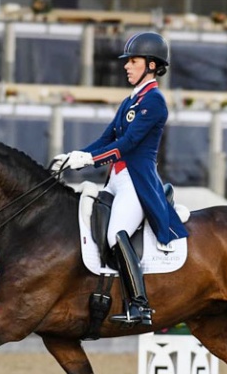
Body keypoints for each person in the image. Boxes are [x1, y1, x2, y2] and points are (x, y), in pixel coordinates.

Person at [54, 32, 189, 326]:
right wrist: (72, 157)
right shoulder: (130, 101)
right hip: (114, 180)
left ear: (152, 65)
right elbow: (106, 139)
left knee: (117, 234)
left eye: (134, 61)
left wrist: (88, 160)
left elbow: (126, 146)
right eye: (127, 61)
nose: (127, 66)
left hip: (135, 182)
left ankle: (140, 305)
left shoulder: (154, 102)